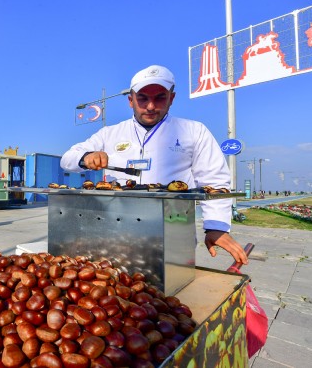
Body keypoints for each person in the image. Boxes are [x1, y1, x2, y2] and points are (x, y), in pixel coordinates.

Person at [60, 64, 248, 265]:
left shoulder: (193, 131)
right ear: (131, 100)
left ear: (171, 98)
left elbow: (215, 180)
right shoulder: (109, 133)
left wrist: (216, 227)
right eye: (142, 98)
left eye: (159, 97)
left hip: (173, 232)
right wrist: (86, 156)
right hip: (115, 232)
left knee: (167, 289)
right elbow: (67, 159)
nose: (150, 106)